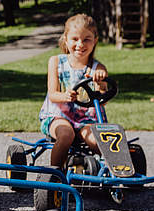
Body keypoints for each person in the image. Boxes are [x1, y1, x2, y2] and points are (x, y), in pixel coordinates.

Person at [37, 13, 109, 170]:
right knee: (66, 135)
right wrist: (65, 96)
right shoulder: (56, 62)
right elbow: (53, 95)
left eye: (86, 39)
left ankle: (109, 171)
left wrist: (101, 83)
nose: (80, 44)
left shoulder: (98, 68)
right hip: (58, 116)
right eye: (75, 39)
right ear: (66, 39)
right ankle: (55, 175)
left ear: (95, 41)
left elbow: (104, 99)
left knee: (97, 141)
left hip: (87, 119)